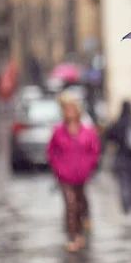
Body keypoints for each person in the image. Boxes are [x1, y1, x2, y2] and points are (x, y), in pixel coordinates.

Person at [47, 93, 101, 252]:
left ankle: (80, 228)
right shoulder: (58, 131)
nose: (69, 112)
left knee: (79, 202)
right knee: (70, 203)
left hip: (81, 175)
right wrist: (58, 168)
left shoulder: (87, 131)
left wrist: (88, 166)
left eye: (72, 109)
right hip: (64, 176)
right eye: (66, 109)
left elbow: (94, 150)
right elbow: (51, 152)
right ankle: (73, 236)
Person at [106, 101, 131, 216]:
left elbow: (109, 137)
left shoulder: (118, 122)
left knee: (124, 184)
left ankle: (127, 208)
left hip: (122, 158)